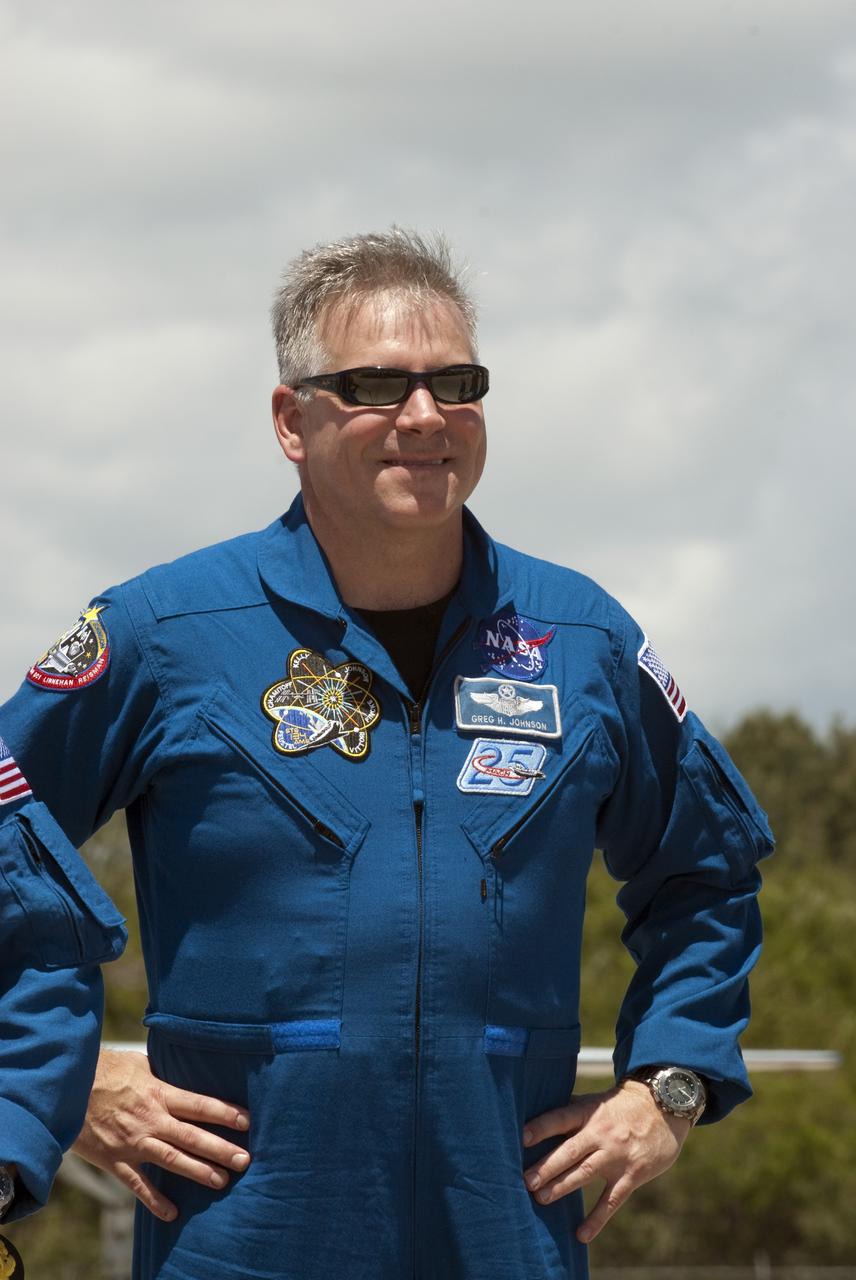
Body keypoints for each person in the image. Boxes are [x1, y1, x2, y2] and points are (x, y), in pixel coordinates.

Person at [0, 229, 773, 1279]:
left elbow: (708, 872)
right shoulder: (164, 630)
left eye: (456, 383)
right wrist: (66, 1079)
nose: (424, 416)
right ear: (290, 418)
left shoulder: (580, 639)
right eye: (376, 384)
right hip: (243, 1240)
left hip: (506, 1234)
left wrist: (670, 1082)